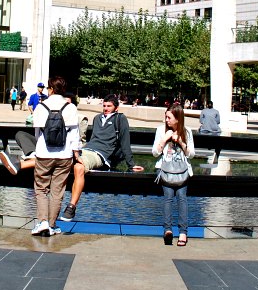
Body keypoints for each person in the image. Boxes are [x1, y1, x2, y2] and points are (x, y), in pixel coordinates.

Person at [60, 94, 144, 222]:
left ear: (116, 107)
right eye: (104, 106)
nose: (105, 108)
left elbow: (125, 142)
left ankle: (71, 207)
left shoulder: (120, 119)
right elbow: (93, 139)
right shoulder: (97, 118)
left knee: (78, 167)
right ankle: (21, 164)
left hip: (100, 155)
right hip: (86, 149)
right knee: (56, 158)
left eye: (109, 106)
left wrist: (131, 164)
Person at [30, 76, 80, 237]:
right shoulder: (70, 107)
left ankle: (42, 221)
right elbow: (75, 134)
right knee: (57, 191)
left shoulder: (41, 106)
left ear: (50, 89)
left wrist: (39, 149)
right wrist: (76, 153)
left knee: (41, 188)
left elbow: (37, 133)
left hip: (44, 153)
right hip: (64, 155)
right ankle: (52, 224)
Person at [0, 92, 88, 174]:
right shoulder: (51, 112)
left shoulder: (79, 118)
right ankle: (32, 154)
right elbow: (37, 131)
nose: (63, 105)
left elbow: (80, 139)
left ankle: (21, 163)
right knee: (20, 134)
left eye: (67, 103)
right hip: (46, 144)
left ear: (73, 106)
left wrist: (75, 152)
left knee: (49, 158)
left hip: (64, 149)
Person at [153, 103, 195, 247]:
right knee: (168, 198)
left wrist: (182, 143)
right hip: (165, 170)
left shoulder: (187, 131)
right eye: (165, 117)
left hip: (182, 170)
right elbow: (154, 152)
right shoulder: (160, 130)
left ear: (178, 118)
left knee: (182, 198)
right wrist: (164, 139)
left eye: (169, 117)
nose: (166, 120)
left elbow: (192, 154)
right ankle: (168, 230)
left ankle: (183, 232)